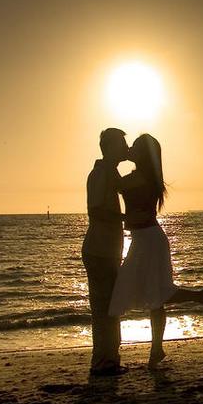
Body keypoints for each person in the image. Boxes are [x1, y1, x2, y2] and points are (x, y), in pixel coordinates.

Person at [109, 133, 203, 369]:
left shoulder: (140, 178)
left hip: (149, 240)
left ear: (143, 154)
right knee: (155, 296)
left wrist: (114, 158)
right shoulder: (144, 176)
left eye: (134, 147)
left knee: (155, 293)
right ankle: (157, 349)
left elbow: (116, 185)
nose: (130, 149)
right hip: (145, 239)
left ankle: (200, 297)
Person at [82, 127, 129, 376]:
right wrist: (125, 217)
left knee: (110, 306)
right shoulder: (101, 173)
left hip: (107, 250)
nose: (125, 148)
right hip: (100, 250)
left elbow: (129, 187)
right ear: (110, 147)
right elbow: (96, 210)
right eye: (122, 144)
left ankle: (110, 359)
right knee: (103, 309)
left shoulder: (110, 171)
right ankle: (102, 362)